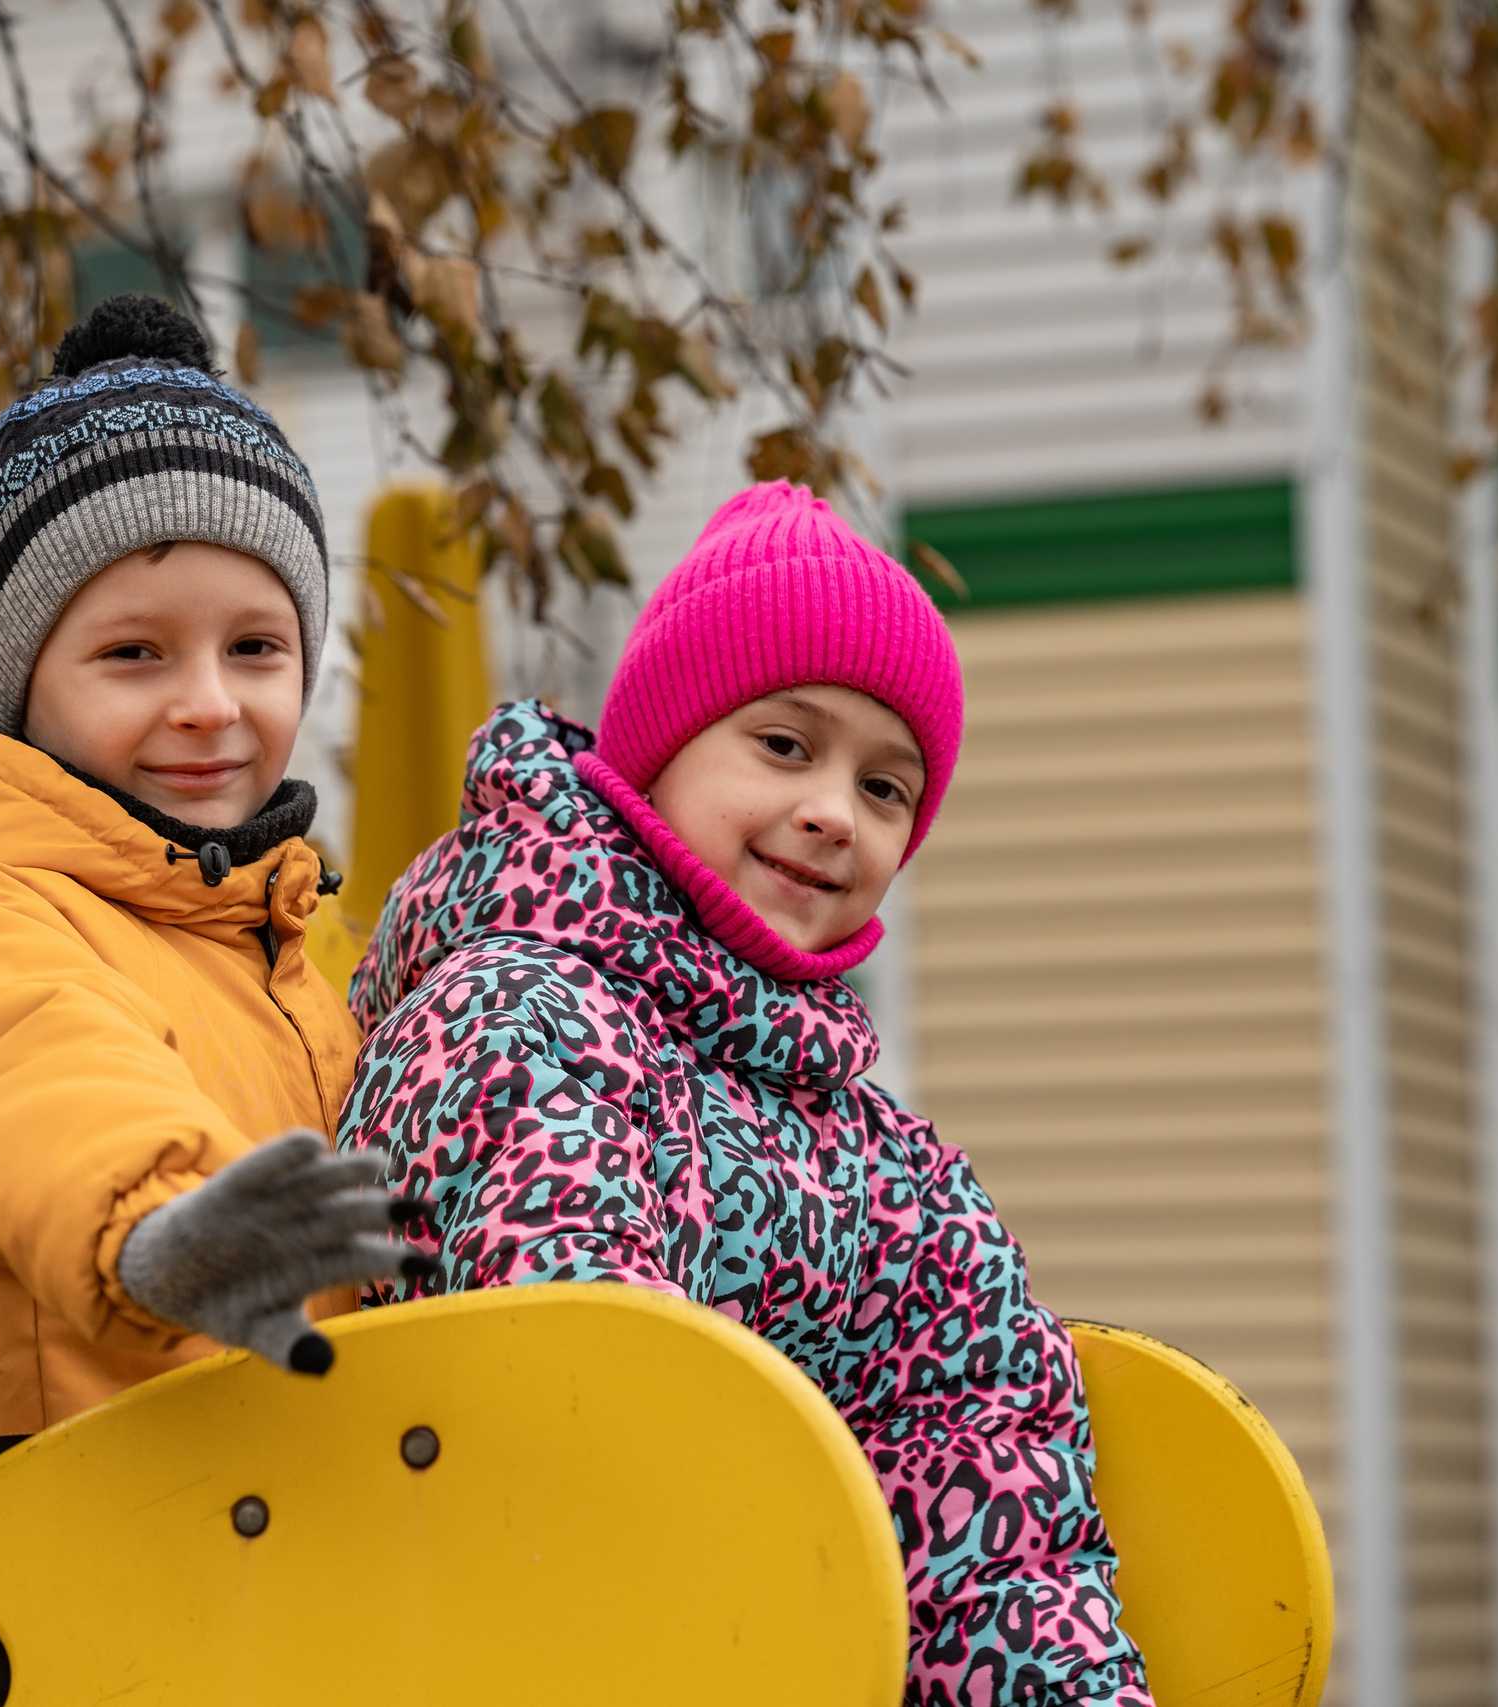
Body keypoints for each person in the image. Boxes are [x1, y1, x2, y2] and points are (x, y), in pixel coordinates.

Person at [339, 482, 1153, 1707]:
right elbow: (589, 1394)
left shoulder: (893, 1166)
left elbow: (988, 1504)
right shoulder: (513, 1018)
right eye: (784, 745)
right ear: (657, 751)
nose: (833, 812)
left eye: (887, 789)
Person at [0, 294, 424, 1704]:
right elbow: (30, 1070)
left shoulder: (273, 936)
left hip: (236, 1553)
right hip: (46, 1576)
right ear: (25, 681)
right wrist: (155, 1224)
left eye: (256, 648)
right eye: (135, 654)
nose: (211, 703)